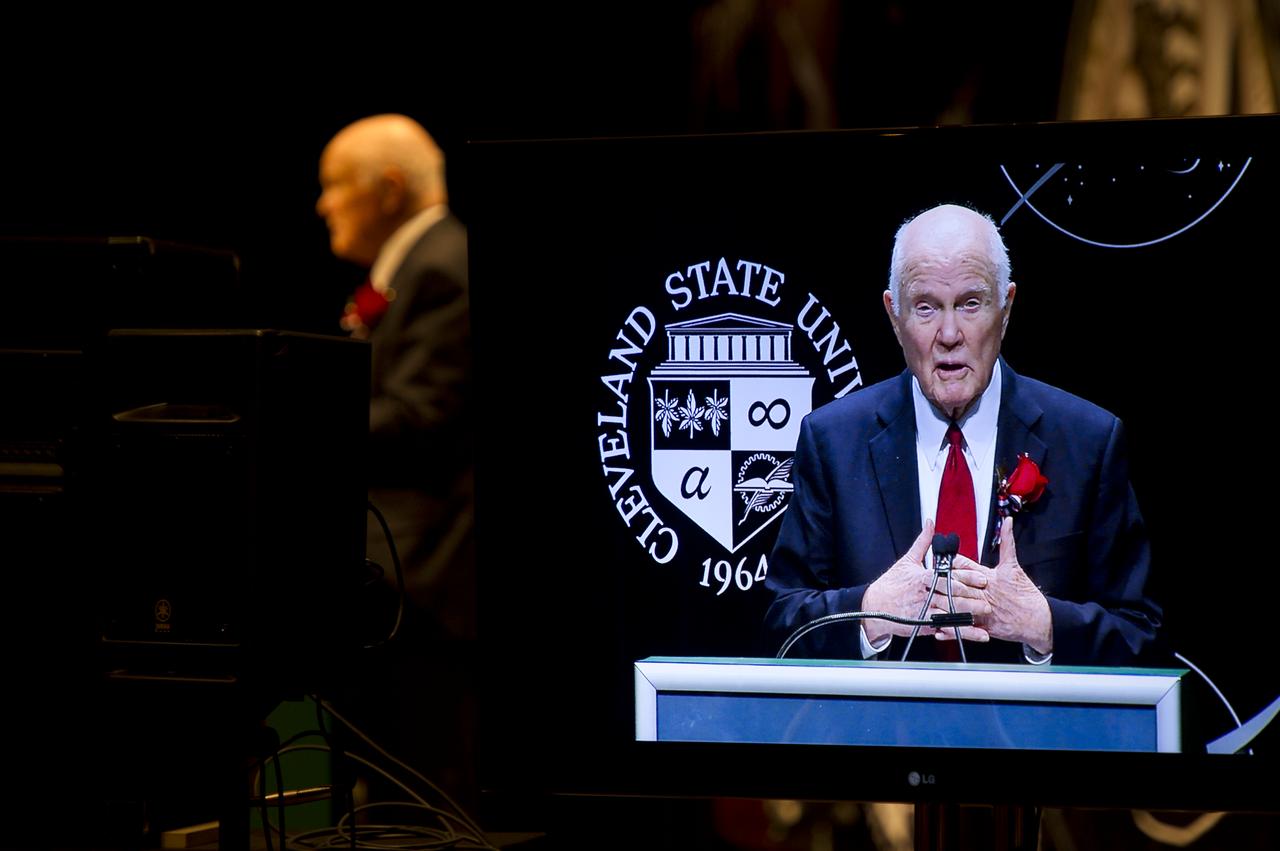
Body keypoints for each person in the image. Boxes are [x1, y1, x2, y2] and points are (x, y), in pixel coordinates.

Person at [764, 203, 1161, 665]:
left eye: (970, 303)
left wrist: (1043, 624)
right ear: (894, 315)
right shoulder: (832, 442)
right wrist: (870, 614)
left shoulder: (1088, 441)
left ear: (1006, 307)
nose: (949, 334)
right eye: (926, 307)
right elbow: (781, 622)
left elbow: (1143, 635)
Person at [316, 114, 476, 803]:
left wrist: (296, 419)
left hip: (428, 577)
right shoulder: (419, 264)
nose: (323, 203)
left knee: (411, 791)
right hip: (402, 571)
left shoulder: (443, 265)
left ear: (387, 189)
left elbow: (421, 416)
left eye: (334, 184)